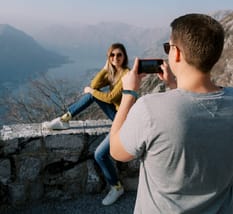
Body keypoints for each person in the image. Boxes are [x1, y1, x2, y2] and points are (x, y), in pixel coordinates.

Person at [110, 13, 233, 214]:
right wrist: (175, 86)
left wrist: (128, 94)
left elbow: (117, 151)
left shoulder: (150, 109)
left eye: (168, 48)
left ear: (176, 53)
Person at [43, 42, 130, 206]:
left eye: (119, 55)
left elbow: (110, 97)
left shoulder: (126, 74)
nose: (116, 58)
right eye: (112, 55)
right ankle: (64, 120)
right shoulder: (113, 72)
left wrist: (92, 91)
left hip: (123, 120)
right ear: (108, 57)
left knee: (100, 154)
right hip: (116, 115)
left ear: (124, 56)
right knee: (92, 94)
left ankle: (116, 187)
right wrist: (105, 69)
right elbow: (95, 84)